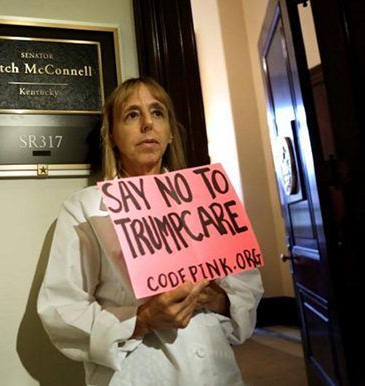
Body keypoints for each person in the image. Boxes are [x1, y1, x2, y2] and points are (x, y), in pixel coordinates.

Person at [37, 77, 264, 386]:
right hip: (136, 372)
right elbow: (61, 309)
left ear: (170, 132)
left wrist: (212, 297)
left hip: (215, 368)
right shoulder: (85, 209)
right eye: (132, 114)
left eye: (157, 113)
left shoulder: (205, 197)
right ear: (113, 135)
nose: (147, 124)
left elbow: (246, 289)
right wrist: (142, 321)